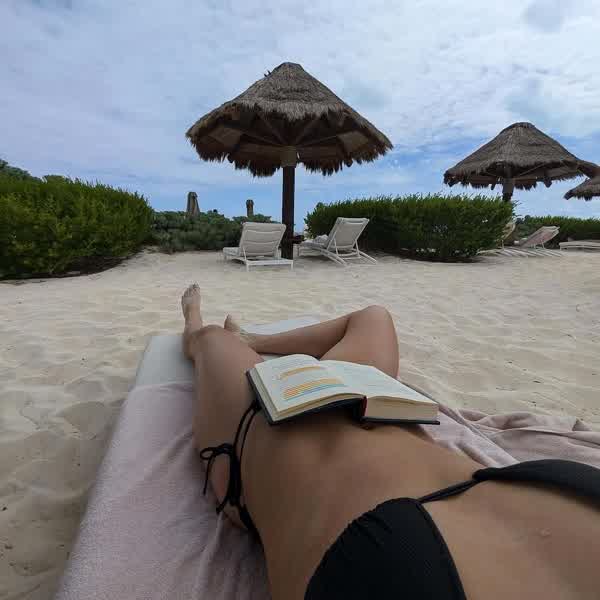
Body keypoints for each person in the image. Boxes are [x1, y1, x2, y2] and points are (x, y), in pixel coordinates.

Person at [181, 284, 600, 600]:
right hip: (369, 402)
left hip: (263, 434)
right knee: (374, 316)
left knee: (211, 339)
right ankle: (255, 341)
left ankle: (198, 325)